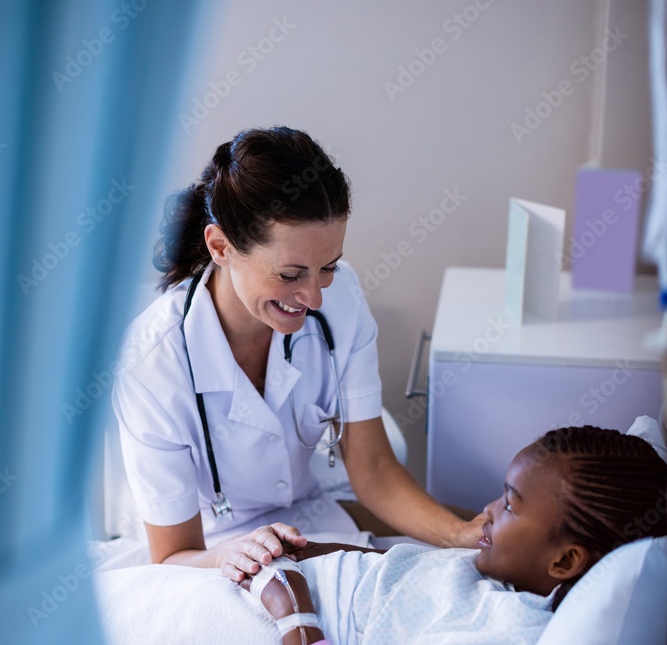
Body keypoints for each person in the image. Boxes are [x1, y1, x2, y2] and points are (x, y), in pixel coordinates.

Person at [112, 126, 483, 580]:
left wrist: (459, 535)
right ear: (220, 247)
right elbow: (173, 555)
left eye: (326, 267)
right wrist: (230, 554)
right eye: (290, 275)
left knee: (472, 556)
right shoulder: (151, 366)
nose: (315, 297)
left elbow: (375, 470)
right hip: (214, 543)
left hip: (310, 508)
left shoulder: (341, 299)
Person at [245, 426, 667, 645]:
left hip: (278, 630)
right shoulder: (501, 571)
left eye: (509, 505)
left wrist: (292, 612)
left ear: (565, 561)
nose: (487, 509)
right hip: (277, 576)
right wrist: (306, 550)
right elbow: (402, 572)